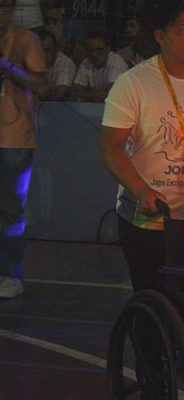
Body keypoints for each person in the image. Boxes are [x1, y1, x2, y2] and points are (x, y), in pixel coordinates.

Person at [100, 0, 184, 293]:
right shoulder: (133, 83)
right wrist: (142, 191)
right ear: (161, 36)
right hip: (151, 217)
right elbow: (111, 148)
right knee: (156, 297)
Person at [0, 0, 47, 299]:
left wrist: (10, 67)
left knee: (9, 210)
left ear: (14, 9)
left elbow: (41, 83)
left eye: (5, 6)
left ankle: (10, 274)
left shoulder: (25, 39)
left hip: (14, 137)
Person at [71, 31, 129, 102]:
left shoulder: (116, 60)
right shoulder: (86, 62)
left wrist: (87, 93)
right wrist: (94, 94)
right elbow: (74, 91)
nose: (94, 54)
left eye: (99, 49)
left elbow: (110, 95)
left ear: (108, 48)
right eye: (90, 50)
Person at [37, 29, 76, 100]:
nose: (42, 55)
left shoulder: (65, 63)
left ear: (56, 49)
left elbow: (60, 92)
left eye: (46, 50)